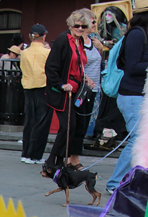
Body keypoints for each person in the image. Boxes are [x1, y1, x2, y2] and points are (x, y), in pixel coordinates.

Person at [105, 0, 148, 192]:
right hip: (132, 96)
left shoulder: (146, 34)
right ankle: (115, 183)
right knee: (138, 139)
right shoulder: (136, 34)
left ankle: (131, 181)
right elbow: (132, 67)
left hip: (139, 95)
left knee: (145, 140)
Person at [42, 10, 90, 175]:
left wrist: (84, 78)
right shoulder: (64, 39)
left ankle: (57, 160)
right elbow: (51, 66)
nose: (80, 28)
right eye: (77, 25)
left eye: (83, 26)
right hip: (62, 91)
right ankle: (52, 161)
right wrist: (62, 84)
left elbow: (78, 65)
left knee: (72, 126)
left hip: (76, 89)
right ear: (71, 25)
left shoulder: (80, 41)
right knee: (67, 126)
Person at [69, 9, 104, 168]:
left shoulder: (93, 42)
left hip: (93, 89)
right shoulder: (77, 42)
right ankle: (72, 157)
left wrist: (100, 47)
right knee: (78, 123)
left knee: (84, 124)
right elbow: (75, 64)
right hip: (82, 88)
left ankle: (75, 156)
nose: (95, 24)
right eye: (93, 21)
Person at [20, 24, 52, 165]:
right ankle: (36, 155)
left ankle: (26, 153)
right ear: (44, 36)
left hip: (28, 86)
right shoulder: (47, 53)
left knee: (29, 121)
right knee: (42, 122)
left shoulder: (24, 52)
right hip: (43, 86)